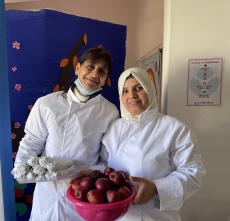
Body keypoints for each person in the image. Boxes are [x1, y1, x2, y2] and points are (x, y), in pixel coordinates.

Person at [13, 47, 120, 221]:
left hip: (84, 195)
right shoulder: (47, 104)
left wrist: (85, 174)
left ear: (105, 79)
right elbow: (32, 141)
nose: (94, 74)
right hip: (48, 193)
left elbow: (107, 159)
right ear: (77, 68)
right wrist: (21, 169)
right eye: (90, 67)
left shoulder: (109, 112)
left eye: (101, 71)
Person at [100, 67, 206, 220]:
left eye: (138, 88)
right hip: (117, 216)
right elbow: (104, 165)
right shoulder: (114, 128)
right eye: (125, 91)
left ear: (150, 90)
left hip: (155, 216)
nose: (132, 96)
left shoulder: (174, 129)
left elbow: (193, 172)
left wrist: (157, 188)